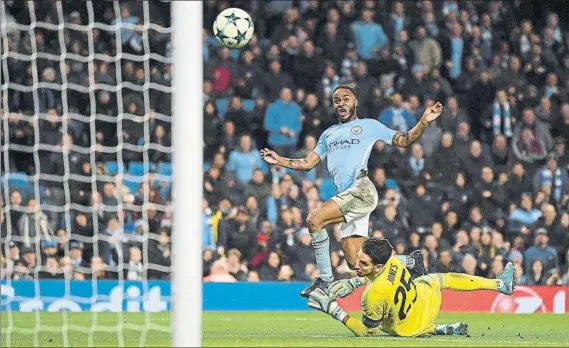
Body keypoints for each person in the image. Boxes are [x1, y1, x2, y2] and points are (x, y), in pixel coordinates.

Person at [261, 84, 442, 296]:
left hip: (361, 189)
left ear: (355, 102)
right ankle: (412, 261)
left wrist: (423, 121)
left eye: (346, 99)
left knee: (314, 220)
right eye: (337, 100)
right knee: (357, 263)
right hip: (346, 196)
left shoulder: (369, 126)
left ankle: (324, 280)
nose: (341, 103)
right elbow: (308, 163)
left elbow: (403, 141)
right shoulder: (328, 134)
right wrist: (279, 160)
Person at [306, 238, 515, 337]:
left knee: (385, 318)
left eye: (362, 263)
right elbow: (408, 263)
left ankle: (431, 329)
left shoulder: (371, 296)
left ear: (379, 266)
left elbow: (368, 333)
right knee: (443, 278)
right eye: (358, 259)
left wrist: (333, 309)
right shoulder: (393, 261)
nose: (355, 265)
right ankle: (500, 284)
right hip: (428, 302)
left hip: (406, 330)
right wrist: (354, 281)